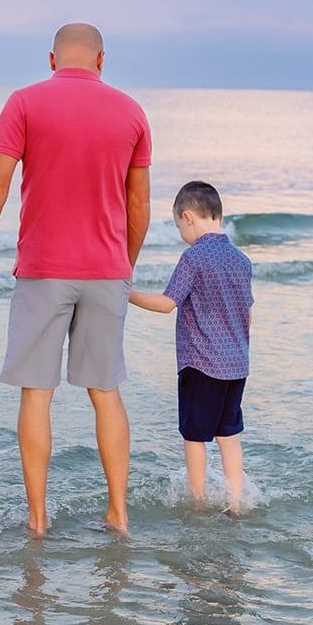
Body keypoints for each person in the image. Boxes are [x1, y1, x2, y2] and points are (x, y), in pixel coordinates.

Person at [0, 22, 151, 536]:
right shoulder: (131, 111)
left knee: (36, 394)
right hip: (107, 270)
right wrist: (124, 264)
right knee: (105, 391)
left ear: (51, 60)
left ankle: (39, 519)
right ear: (100, 59)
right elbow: (140, 202)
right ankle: (118, 513)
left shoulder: (24, 102)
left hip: (44, 270)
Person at [129, 180, 252, 510]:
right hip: (237, 364)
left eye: (178, 226)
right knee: (229, 434)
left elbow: (168, 303)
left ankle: (198, 501)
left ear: (188, 217)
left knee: (195, 436)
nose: (181, 233)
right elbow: (248, 314)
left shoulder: (193, 258)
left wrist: (126, 294)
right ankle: (236, 502)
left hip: (201, 363)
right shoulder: (241, 260)